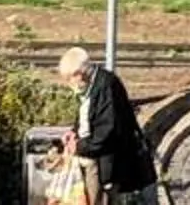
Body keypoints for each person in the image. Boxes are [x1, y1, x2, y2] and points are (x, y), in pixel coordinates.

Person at [55, 44, 153, 205]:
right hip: (95, 159)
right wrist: (74, 131)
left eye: (69, 79)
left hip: (106, 164)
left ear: (79, 74)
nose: (68, 84)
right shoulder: (91, 86)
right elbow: (88, 115)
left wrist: (79, 146)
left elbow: (107, 131)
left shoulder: (107, 86)